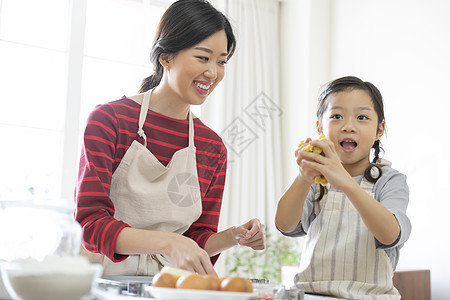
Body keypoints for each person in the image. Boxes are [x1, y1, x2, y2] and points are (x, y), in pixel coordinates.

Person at [75, 0, 265, 276]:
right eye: (203, 57)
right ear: (165, 57)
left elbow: (196, 237)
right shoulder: (110, 121)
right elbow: (91, 224)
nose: (213, 72)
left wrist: (233, 236)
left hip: (171, 286)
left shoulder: (212, 148)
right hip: (103, 282)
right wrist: (170, 242)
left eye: (221, 61)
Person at [275, 76, 411, 299]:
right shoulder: (315, 180)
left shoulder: (390, 180)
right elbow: (285, 224)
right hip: (312, 294)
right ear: (319, 127)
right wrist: (303, 177)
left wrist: (347, 184)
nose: (349, 126)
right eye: (336, 116)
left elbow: (390, 234)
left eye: (362, 117)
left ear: (379, 130)